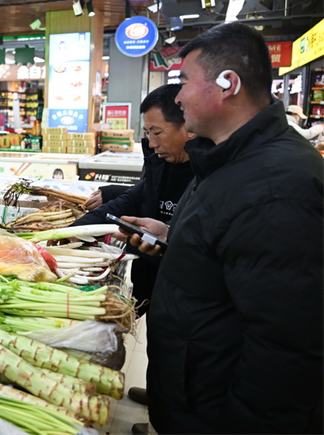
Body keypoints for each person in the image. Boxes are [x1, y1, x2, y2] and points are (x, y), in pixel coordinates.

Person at [123, 23, 323, 434]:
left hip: (216, 407)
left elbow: (285, 343)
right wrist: (172, 240)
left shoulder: (277, 186)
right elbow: (230, 251)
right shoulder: (229, 158)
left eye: (183, 81)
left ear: (227, 83)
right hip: (193, 385)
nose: (177, 97)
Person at [73, 83, 194, 317]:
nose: (151, 143)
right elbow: (130, 199)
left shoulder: (208, 174)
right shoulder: (160, 164)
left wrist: (169, 236)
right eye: (147, 134)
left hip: (184, 289)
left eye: (157, 133)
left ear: (188, 126)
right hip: (147, 277)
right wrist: (75, 231)